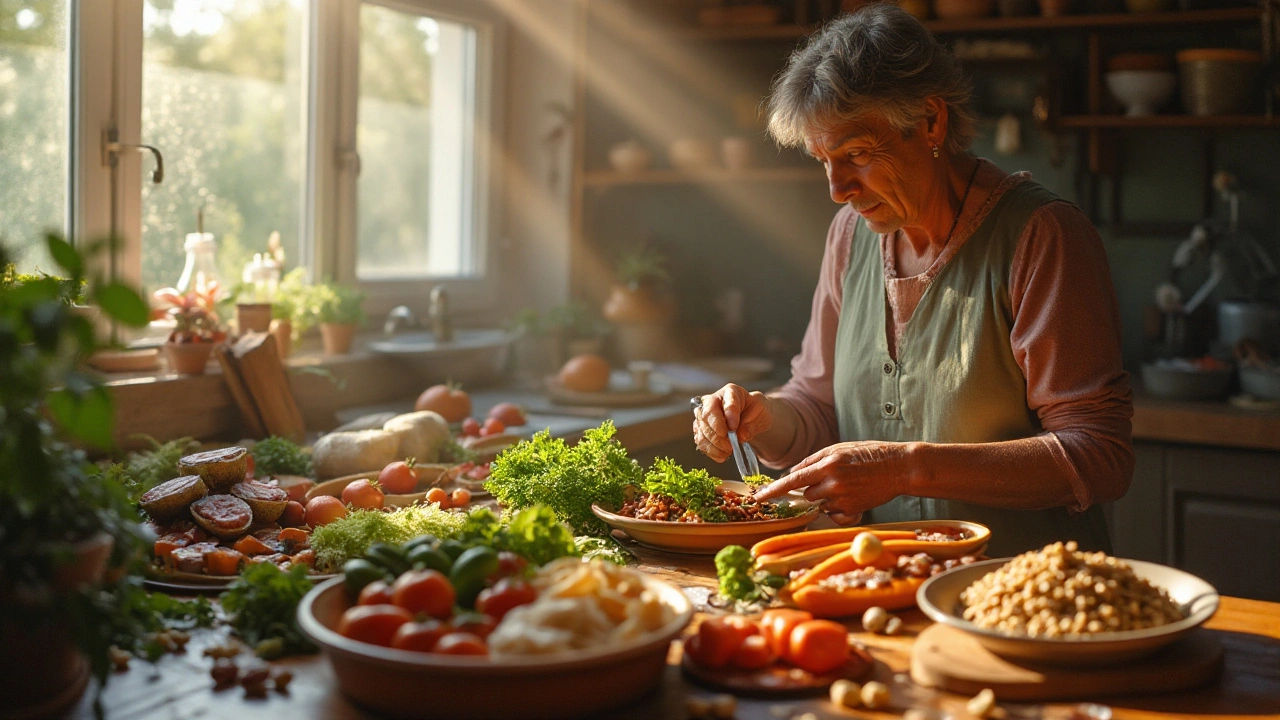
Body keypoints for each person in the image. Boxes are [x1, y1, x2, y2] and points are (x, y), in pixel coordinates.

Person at [691, 4, 1132, 556]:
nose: (837, 188)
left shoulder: (1041, 234)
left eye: (856, 153)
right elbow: (819, 405)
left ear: (930, 121)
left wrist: (905, 469)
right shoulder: (849, 236)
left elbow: (1099, 454)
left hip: (1025, 599)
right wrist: (761, 418)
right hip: (882, 591)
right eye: (823, 160)